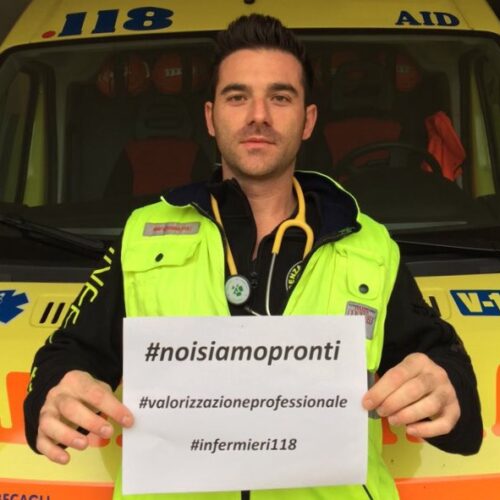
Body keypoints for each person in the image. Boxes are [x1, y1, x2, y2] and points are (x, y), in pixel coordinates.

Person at [24, 13, 482, 500]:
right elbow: (65, 355)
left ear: (307, 121)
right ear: (210, 117)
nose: (258, 115)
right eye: (237, 96)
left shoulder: (368, 245)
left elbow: (450, 384)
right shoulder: (142, 236)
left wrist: (446, 389)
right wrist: (55, 392)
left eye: (280, 97)